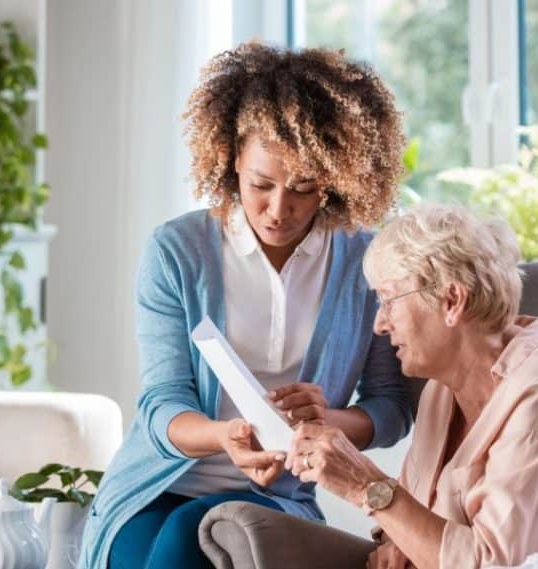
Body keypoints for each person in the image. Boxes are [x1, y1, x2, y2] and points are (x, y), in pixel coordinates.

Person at [79, 42, 414, 569]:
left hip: (275, 494)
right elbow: (161, 403)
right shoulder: (177, 251)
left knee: (194, 534)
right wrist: (224, 438)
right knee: (148, 547)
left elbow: (391, 407)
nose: (279, 209)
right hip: (155, 485)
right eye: (261, 184)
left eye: (303, 189)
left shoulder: (364, 263)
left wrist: (325, 421)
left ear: (333, 180)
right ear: (234, 160)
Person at [288, 203, 538, 569]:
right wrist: (398, 541)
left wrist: (363, 484)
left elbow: (495, 565)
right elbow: (410, 519)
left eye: (389, 301)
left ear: (451, 300)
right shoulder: (441, 390)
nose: (380, 325)